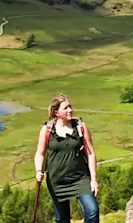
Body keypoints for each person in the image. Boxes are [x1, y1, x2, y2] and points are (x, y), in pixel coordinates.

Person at [34, 94, 99, 223]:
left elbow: (90, 153)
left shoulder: (79, 126)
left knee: (92, 211)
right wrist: (38, 171)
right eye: (66, 108)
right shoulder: (47, 129)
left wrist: (94, 179)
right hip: (57, 181)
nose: (70, 110)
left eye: (70, 107)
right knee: (62, 219)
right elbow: (40, 153)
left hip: (80, 178)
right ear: (56, 112)